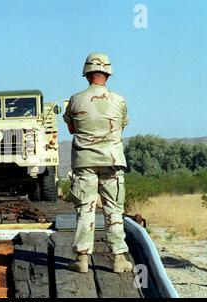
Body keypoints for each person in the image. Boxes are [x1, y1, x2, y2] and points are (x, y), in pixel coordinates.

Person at [63, 53, 133, 274]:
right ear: (108, 74)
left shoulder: (75, 99)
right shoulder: (119, 100)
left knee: (85, 208)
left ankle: (82, 259)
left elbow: (71, 128)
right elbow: (121, 127)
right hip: (112, 161)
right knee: (114, 210)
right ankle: (119, 259)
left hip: (85, 162)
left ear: (86, 74)